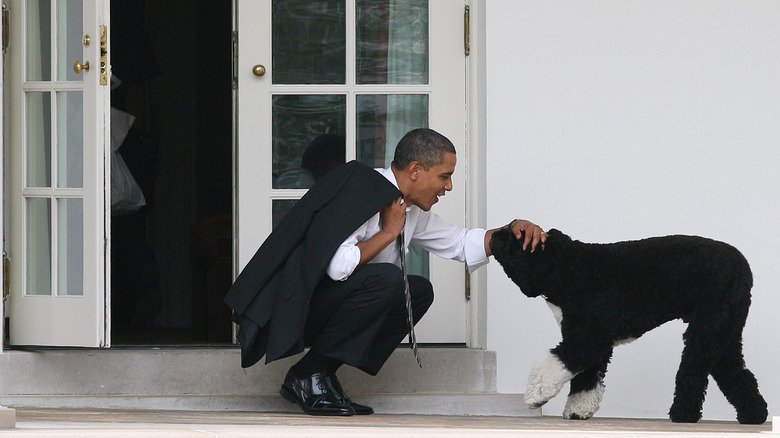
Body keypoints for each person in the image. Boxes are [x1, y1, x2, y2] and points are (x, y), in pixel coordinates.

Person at [224, 128, 546, 416]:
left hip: (331, 307)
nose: (448, 186)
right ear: (416, 170)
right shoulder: (362, 188)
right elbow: (337, 267)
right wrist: (389, 233)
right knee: (389, 280)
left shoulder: (409, 207)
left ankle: (314, 372)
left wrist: (511, 230)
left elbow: (460, 243)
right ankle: (309, 376)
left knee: (418, 291)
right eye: (444, 176)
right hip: (297, 310)